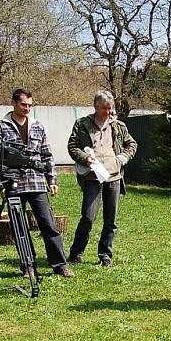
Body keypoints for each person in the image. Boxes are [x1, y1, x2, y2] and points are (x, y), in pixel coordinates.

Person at [0, 88, 73, 277]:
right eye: (23, 104)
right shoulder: (0, 127)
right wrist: (1, 185)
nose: (27, 108)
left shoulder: (38, 126)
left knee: (48, 224)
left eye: (30, 105)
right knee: (20, 228)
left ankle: (60, 265)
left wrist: (52, 179)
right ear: (14, 103)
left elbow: (47, 154)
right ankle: (28, 266)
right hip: (13, 184)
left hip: (36, 183)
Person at [67, 90, 137, 267]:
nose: (108, 112)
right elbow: (72, 146)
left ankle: (105, 255)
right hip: (92, 177)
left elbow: (131, 144)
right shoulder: (82, 124)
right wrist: (85, 158)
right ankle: (76, 253)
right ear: (96, 107)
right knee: (88, 217)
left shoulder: (118, 125)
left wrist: (124, 157)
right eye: (105, 108)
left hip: (113, 177)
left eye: (111, 108)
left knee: (111, 220)